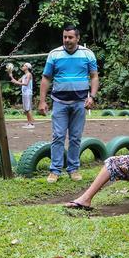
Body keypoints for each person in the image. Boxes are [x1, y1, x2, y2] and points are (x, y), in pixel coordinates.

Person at [38, 25, 99, 183]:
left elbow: (94, 76)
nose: (67, 40)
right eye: (65, 37)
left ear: (77, 38)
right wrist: (42, 101)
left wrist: (91, 97)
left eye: (70, 37)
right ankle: (55, 170)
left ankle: (73, 169)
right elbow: (46, 78)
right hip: (59, 102)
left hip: (80, 103)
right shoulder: (54, 54)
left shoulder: (87, 54)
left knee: (75, 138)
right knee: (58, 136)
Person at [8, 62, 35, 129]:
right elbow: (17, 81)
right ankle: (29, 123)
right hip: (24, 93)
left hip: (28, 93)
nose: (22, 66)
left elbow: (25, 83)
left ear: (27, 67)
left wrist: (15, 82)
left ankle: (31, 124)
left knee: (28, 108)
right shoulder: (24, 76)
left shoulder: (29, 74)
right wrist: (11, 75)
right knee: (26, 109)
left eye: (24, 66)